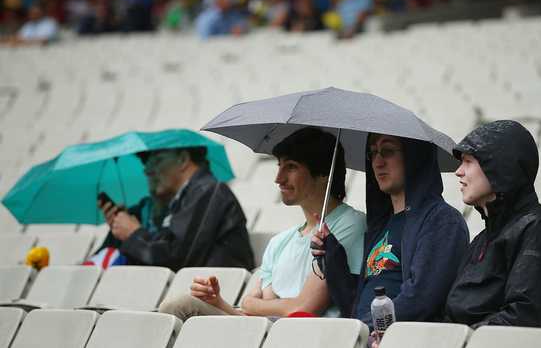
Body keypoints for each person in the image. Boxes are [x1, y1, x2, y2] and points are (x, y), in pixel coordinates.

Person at [159, 128, 366, 320]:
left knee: (180, 306)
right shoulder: (279, 242)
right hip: (267, 335)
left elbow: (302, 309)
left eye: (291, 167)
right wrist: (219, 302)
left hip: (306, 337)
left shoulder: (350, 224)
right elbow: (256, 316)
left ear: (324, 174)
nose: (278, 178)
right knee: (177, 306)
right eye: (279, 166)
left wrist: (252, 303)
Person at [312, 133, 468, 345]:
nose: (377, 161)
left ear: (414, 157)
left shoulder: (442, 220)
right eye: (373, 153)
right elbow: (353, 305)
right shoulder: (380, 225)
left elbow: (422, 299)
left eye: (387, 151)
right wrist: (332, 256)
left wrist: (371, 331)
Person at [443, 120, 541, 335]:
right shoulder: (483, 238)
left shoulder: (540, 232)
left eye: (469, 161)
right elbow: (454, 313)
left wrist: (461, 341)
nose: (458, 172)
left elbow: (523, 318)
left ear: (500, 168)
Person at [97, 146, 255, 271]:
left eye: (157, 160)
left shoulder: (208, 191)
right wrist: (120, 230)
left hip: (214, 296)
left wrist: (133, 234)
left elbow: (177, 258)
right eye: (146, 164)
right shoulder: (166, 203)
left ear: (183, 159)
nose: (147, 170)